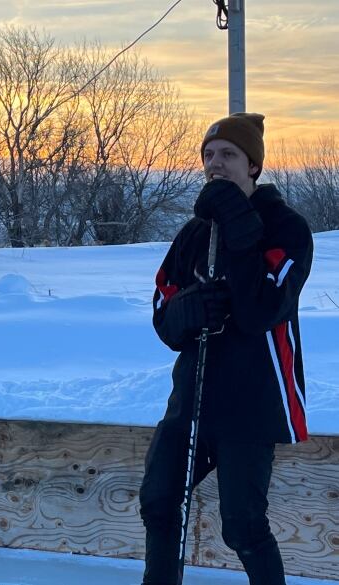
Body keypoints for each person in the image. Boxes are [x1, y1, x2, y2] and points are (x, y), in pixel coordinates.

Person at [139, 113, 313, 585]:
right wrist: (188, 310)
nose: (216, 164)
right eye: (209, 155)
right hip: (192, 396)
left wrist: (238, 221)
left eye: (229, 155)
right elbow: (162, 313)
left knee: (242, 525)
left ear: (253, 165)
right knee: (158, 500)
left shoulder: (287, 228)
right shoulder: (194, 232)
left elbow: (262, 310)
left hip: (254, 399)